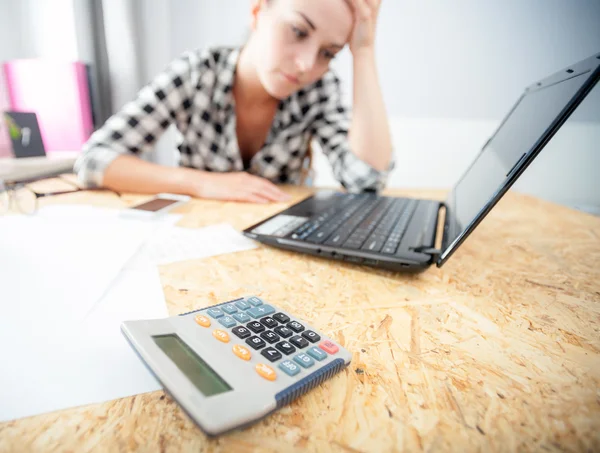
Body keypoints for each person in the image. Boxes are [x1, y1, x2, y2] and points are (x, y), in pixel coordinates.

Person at [74, 0, 394, 204]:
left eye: (328, 53)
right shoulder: (198, 72)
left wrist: (363, 53)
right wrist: (201, 183)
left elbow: (367, 180)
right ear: (257, 11)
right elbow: (93, 161)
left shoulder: (319, 89)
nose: (306, 65)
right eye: (298, 31)